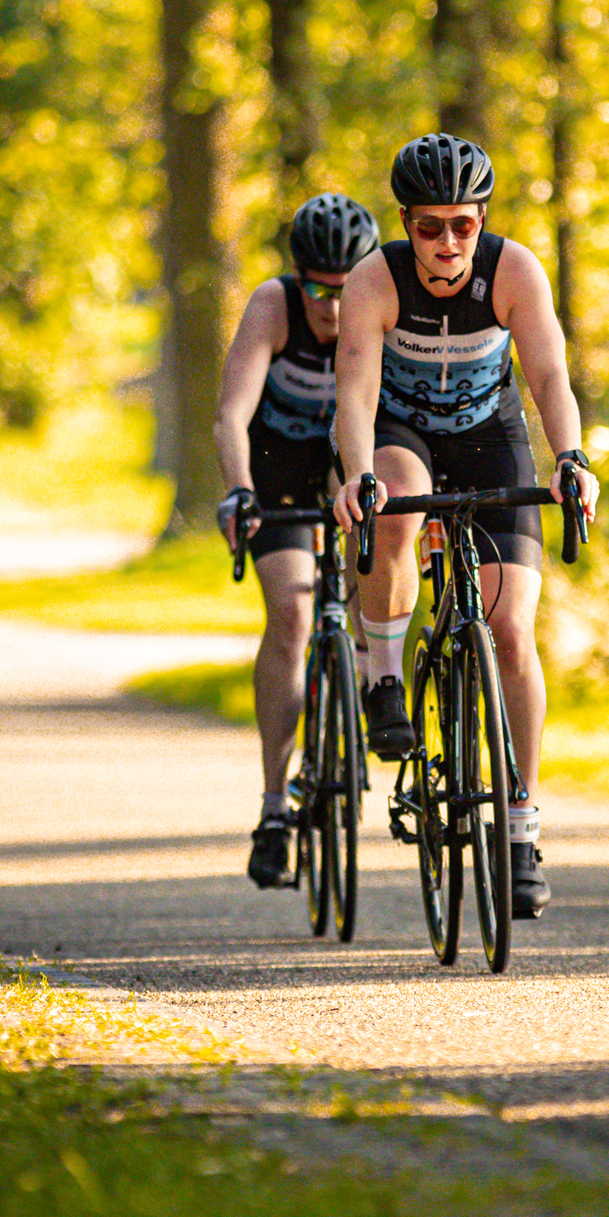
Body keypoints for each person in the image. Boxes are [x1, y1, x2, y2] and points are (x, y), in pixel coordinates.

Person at [333, 133, 599, 918]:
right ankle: (384, 675)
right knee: (393, 511)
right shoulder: (372, 279)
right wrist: (358, 476)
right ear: (405, 223)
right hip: (402, 437)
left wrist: (571, 456)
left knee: (511, 630)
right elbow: (354, 387)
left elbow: (548, 371)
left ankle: (520, 828)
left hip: (492, 439)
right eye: (429, 227)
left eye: (464, 225)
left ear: (482, 222)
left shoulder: (513, 271)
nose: (448, 244)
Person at [213, 190, 382, 890]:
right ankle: (274, 803)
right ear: (299, 275)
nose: (333, 308)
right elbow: (231, 412)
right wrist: (239, 487)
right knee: (290, 611)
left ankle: (369, 689)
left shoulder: (381, 305)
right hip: (277, 468)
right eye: (320, 288)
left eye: (347, 290)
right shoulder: (272, 307)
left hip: (350, 459)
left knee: (374, 591)